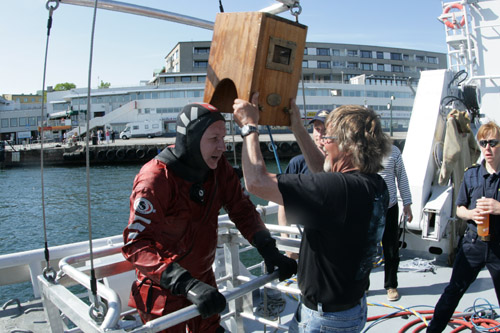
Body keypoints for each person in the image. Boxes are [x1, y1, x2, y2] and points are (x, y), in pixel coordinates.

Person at [121, 102, 297, 333]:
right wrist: (185, 284)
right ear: (191, 140)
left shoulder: (217, 168)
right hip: (165, 292)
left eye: (223, 138)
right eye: (214, 139)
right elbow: (136, 244)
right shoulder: (155, 179)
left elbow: (241, 208)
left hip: (203, 283)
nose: (222, 147)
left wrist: (268, 248)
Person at [233, 94, 391, 332]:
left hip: (326, 320)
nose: (323, 142)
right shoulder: (374, 184)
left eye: (328, 138)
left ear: (347, 146)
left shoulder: (339, 190)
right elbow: (322, 172)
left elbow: (256, 182)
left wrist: (248, 127)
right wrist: (297, 126)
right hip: (350, 307)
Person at [427, 121, 500, 333]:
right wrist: (471, 214)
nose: (487, 148)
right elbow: (459, 208)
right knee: (453, 291)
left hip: (498, 247)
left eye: (493, 142)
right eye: (483, 143)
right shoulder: (472, 175)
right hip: (473, 244)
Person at [278, 109, 331, 259]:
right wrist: (285, 238)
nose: (320, 133)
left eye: (325, 129)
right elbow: (283, 201)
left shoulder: (341, 165)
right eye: (317, 129)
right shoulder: (297, 163)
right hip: (300, 237)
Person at [378, 144, 413, 301]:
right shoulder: (359, 148)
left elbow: (402, 177)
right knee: (365, 250)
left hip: (390, 207)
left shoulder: (394, 151)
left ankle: (391, 285)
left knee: (391, 249)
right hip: (367, 208)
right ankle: (362, 286)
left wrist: (407, 203)